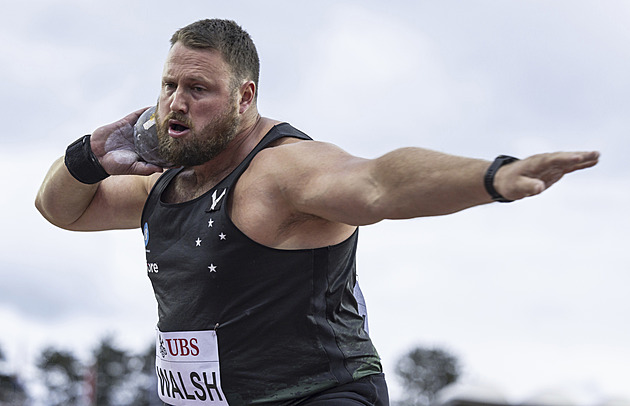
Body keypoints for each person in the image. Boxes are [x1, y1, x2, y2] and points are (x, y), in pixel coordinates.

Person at [35, 19, 599, 406]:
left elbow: (378, 184)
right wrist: (89, 156)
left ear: (245, 97)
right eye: (169, 85)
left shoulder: (282, 172)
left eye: (199, 89)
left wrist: (492, 176)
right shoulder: (160, 183)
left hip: (319, 394)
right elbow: (60, 210)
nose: (177, 102)